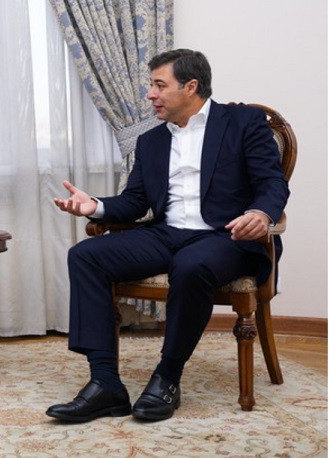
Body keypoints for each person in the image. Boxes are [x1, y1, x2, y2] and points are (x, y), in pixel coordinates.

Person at [46, 49, 288, 423]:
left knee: (191, 265)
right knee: (86, 255)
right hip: (166, 233)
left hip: (226, 237)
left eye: (160, 85)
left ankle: (167, 377)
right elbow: (136, 201)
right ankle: (105, 384)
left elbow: (272, 182)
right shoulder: (152, 140)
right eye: (152, 85)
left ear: (191, 86)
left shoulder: (243, 122)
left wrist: (261, 213)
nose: (151, 94)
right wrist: (94, 205)